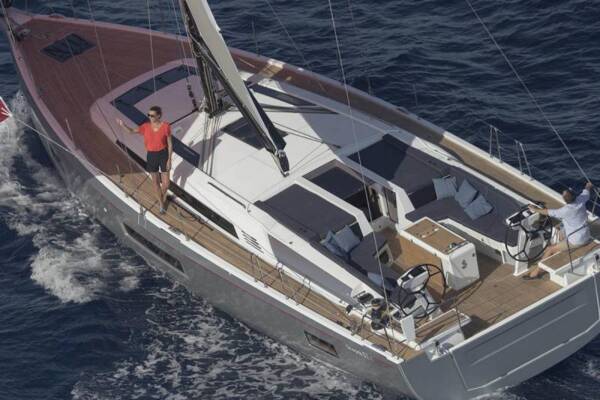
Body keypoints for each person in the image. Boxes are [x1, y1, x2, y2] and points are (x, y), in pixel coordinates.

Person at [523, 181, 594, 280]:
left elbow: (547, 212)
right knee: (559, 230)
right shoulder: (581, 200)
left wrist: (535, 209)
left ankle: (536, 272)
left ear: (565, 200)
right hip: (585, 234)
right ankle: (554, 253)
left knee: (550, 249)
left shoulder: (564, 210)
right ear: (574, 196)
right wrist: (588, 185)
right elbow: (586, 191)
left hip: (577, 241)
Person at [116, 106, 172, 214]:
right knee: (156, 182)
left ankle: (160, 196)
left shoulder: (166, 126)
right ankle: (161, 203)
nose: (150, 117)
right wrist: (123, 125)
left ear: (158, 116)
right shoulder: (145, 127)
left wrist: (169, 159)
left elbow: (170, 143)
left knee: (166, 184)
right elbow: (131, 131)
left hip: (163, 154)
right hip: (151, 156)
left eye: (152, 115)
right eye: (148, 115)